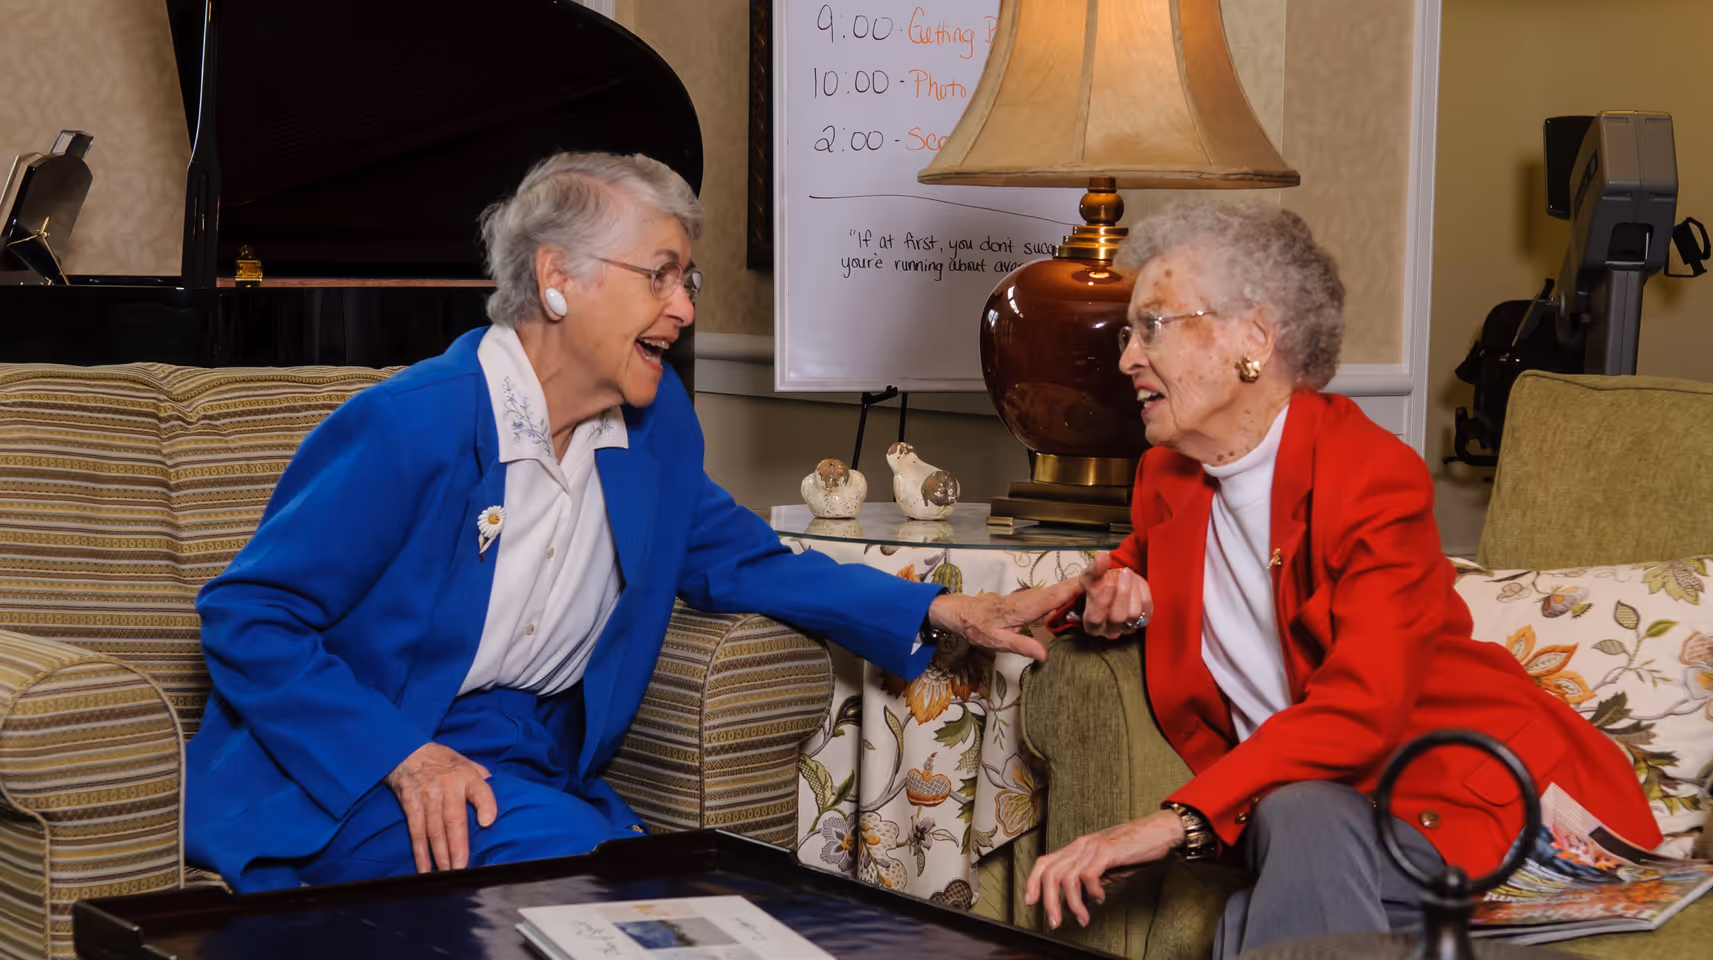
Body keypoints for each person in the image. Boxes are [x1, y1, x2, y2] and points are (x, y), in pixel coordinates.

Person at [186, 151, 1075, 892]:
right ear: (557, 279)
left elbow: (738, 558)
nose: (684, 308)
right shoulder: (412, 423)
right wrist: (404, 757)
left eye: (686, 279)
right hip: (357, 764)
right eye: (659, 276)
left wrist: (933, 609)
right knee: (619, 898)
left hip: (517, 755)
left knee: (693, 894)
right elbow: (248, 613)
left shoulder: (654, 427)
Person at [1021, 201, 1660, 960]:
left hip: (1472, 804)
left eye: (1152, 324)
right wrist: (1117, 585)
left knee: (1288, 843)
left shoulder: (1373, 477)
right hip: (1320, 823)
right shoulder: (1170, 474)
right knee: (1292, 843)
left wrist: (1172, 822)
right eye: (1130, 330)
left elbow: (1362, 708)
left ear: (1253, 340)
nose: (1126, 357)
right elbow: (1150, 558)